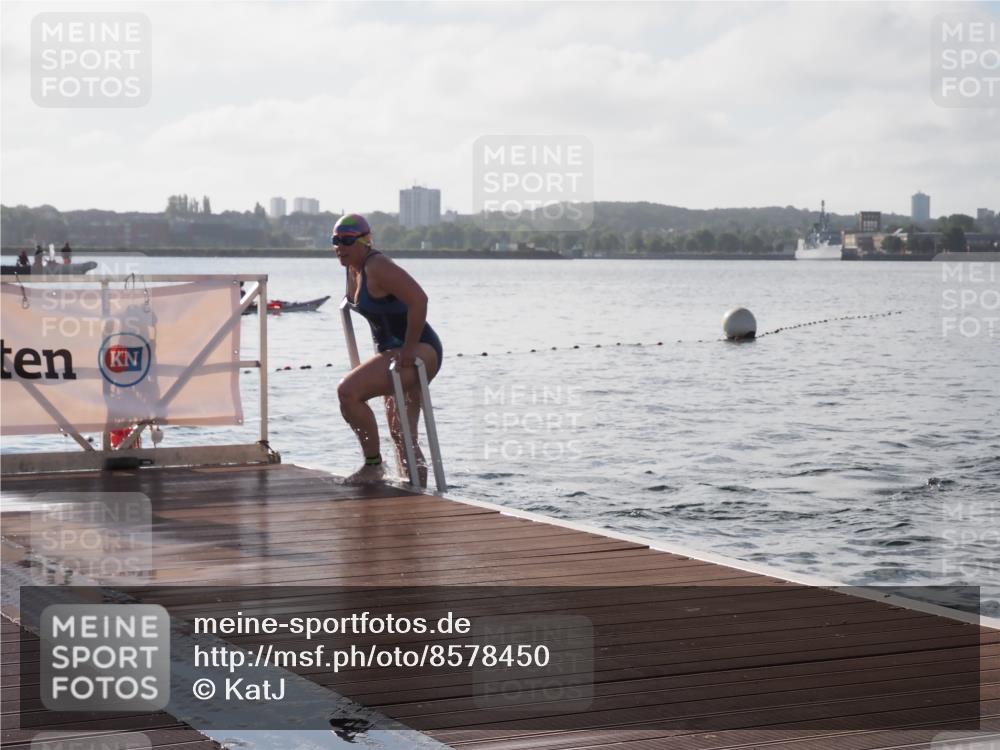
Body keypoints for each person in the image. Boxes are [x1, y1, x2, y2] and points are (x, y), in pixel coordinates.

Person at [334, 213, 443, 483]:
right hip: (392, 352)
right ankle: (420, 493)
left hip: (419, 350)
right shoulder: (353, 269)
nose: (339, 247)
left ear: (365, 241)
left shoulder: (377, 265)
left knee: (348, 392)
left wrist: (408, 348)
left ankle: (373, 465)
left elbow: (419, 299)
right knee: (402, 433)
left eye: (346, 241)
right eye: (335, 240)